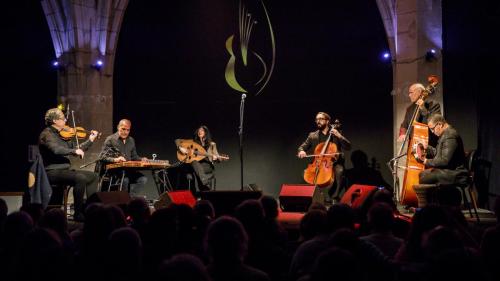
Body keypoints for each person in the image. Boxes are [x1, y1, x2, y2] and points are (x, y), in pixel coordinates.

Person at [38, 108, 99, 221]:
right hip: (51, 172)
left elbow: (76, 149)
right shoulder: (47, 134)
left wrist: (90, 140)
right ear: (55, 121)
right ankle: (78, 213)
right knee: (80, 178)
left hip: (65, 171)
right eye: (63, 118)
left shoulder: (64, 135)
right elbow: (56, 150)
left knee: (93, 176)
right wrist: (74, 151)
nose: (66, 119)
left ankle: (91, 210)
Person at [298, 112, 351, 203]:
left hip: (334, 163)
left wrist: (339, 135)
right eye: (316, 119)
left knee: (340, 171)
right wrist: (301, 151)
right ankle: (313, 197)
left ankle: (335, 196)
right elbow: (302, 147)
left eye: (321, 119)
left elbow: (348, 147)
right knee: (306, 174)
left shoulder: (336, 133)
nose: (318, 121)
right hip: (318, 163)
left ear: (327, 121)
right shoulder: (312, 135)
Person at [99, 119, 148, 197]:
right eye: (123, 129)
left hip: (128, 170)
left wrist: (141, 159)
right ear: (118, 127)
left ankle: (130, 199)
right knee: (125, 180)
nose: (125, 132)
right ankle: (123, 201)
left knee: (143, 179)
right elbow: (102, 157)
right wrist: (115, 159)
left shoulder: (131, 140)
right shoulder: (111, 139)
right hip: (115, 171)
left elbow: (134, 156)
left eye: (128, 130)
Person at [415, 114, 468, 186]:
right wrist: (427, 147)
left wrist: (426, 161)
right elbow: (439, 154)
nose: (432, 132)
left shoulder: (450, 136)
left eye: (432, 128)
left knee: (424, 176)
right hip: (450, 170)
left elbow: (444, 160)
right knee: (423, 175)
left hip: (456, 173)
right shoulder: (445, 135)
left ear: (440, 124)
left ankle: (436, 197)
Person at [176, 125, 221, 191]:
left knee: (196, 168)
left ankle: (200, 190)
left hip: (206, 166)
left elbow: (218, 159)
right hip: (195, 165)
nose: (200, 132)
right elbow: (177, 141)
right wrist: (180, 148)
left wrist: (216, 158)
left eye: (202, 130)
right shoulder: (193, 142)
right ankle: (204, 185)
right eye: (199, 130)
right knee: (194, 163)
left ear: (206, 132)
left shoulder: (212, 144)